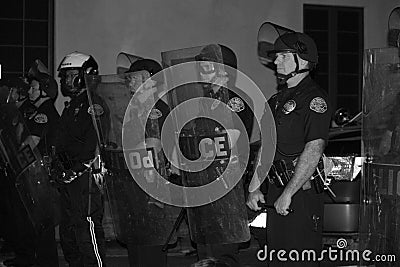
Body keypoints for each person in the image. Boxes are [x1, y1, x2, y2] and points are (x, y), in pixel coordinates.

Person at [247, 32, 332, 266]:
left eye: (283, 56)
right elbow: (266, 148)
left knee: (298, 259)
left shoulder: (314, 99)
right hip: (276, 191)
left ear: (302, 61)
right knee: (276, 258)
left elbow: (314, 148)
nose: (276, 62)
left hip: (300, 194)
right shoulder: (275, 101)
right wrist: (254, 187)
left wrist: (289, 193)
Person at [1, 66, 60, 267]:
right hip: (33, 173)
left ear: (45, 90)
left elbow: (28, 143)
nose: (30, 92)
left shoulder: (44, 113)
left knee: (42, 222)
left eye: (34, 88)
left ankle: (45, 261)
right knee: (30, 220)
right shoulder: (36, 111)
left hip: (40, 174)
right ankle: (30, 258)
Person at [56, 52, 106, 267]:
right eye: (65, 77)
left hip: (85, 177)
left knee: (86, 227)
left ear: (86, 75)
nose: (67, 81)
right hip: (68, 176)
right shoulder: (72, 105)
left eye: (72, 75)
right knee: (69, 229)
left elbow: (94, 144)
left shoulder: (93, 105)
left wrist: (76, 170)